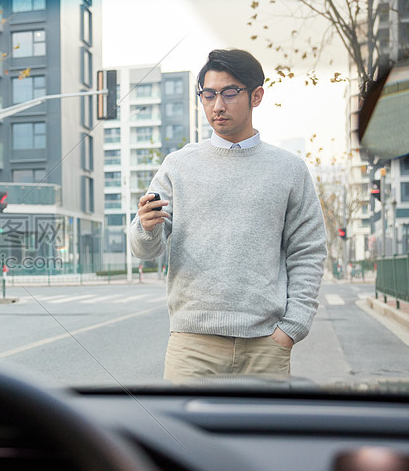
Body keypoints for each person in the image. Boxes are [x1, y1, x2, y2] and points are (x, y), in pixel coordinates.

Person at [130, 49, 327, 381]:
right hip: (192, 347)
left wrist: (292, 328)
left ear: (256, 96)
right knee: (181, 435)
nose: (217, 105)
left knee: (262, 435)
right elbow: (146, 249)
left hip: (266, 347)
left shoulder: (289, 169)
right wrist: (146, 229)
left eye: (229, 93)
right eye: (208, 95)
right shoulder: (178, 165)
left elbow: (308, 249)